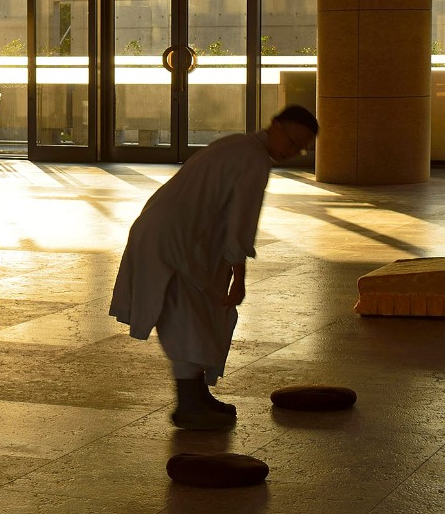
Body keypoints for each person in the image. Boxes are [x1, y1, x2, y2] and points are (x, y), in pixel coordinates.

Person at [109, 104, 318, 430]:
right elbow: (240, 225)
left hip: (173, 234)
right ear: (275, 126)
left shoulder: (240, 146)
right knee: (187, 320)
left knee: (200, 314)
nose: (292, 152)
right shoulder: (254, 158)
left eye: (301, 148)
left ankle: (197, 395)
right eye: (292, 142)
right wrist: (239, 277)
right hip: (173, 239)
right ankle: (189, 403)